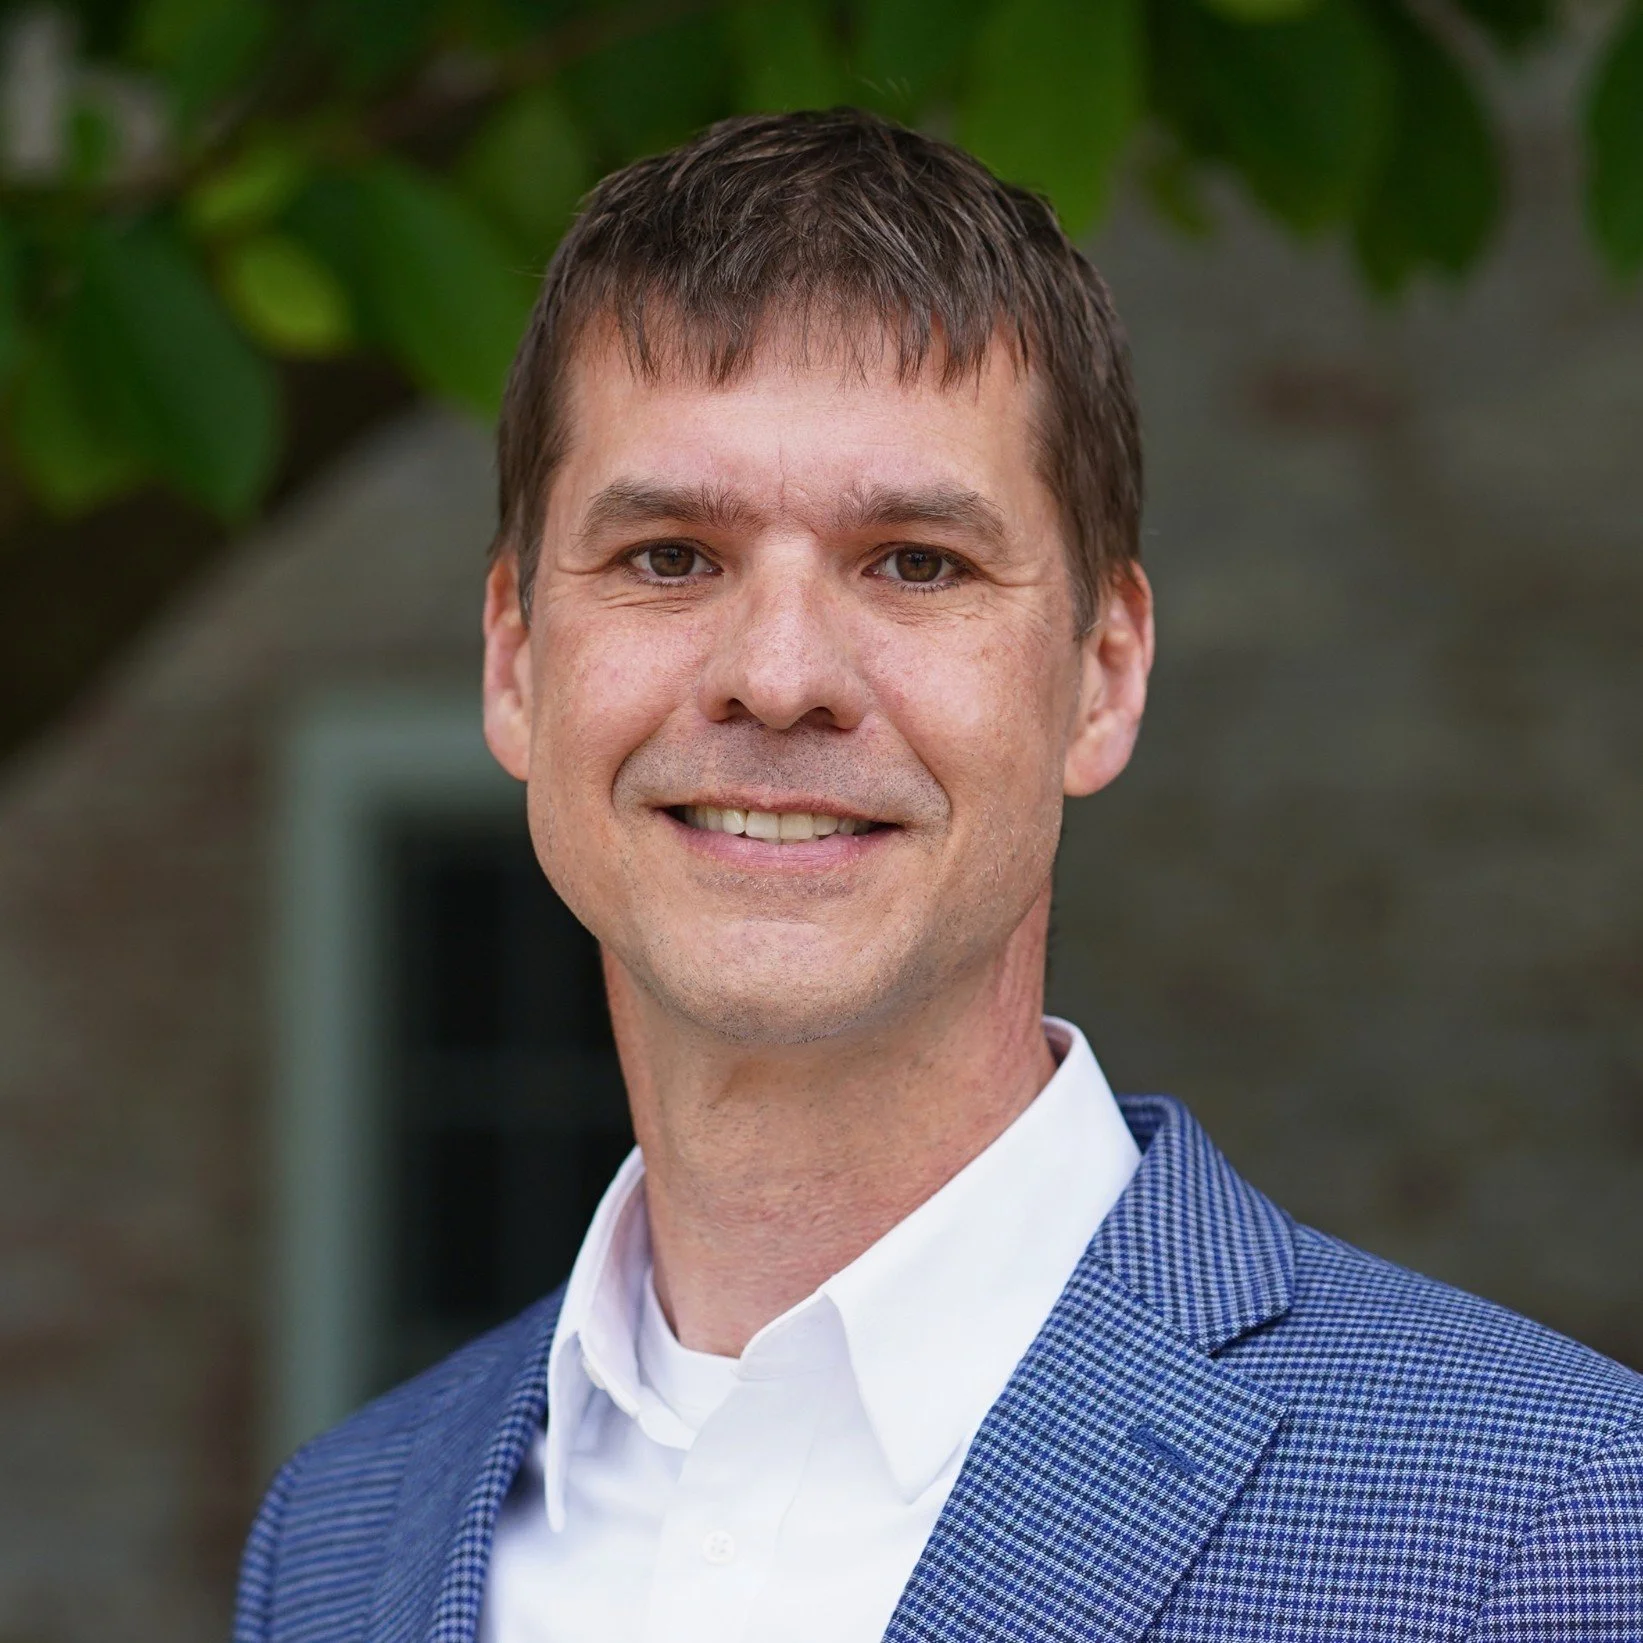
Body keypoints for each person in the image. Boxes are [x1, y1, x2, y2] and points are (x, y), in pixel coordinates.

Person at [234, 109, 1643, 1643]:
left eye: (916, 561)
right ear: (514, 661)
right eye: (668, 556)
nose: (777, 677)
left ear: (1101, 675)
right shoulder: (343, 1534)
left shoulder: (1528, 1514)